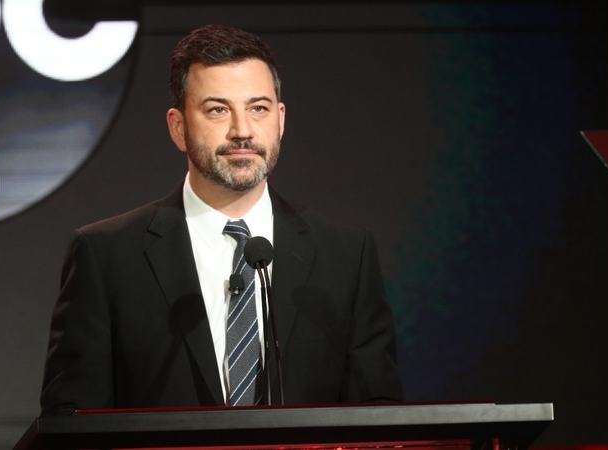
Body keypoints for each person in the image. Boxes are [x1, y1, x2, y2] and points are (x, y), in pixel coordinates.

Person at [40, 24, 402, 415]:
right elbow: (72, 419)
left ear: (280, 119)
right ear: (178, 127)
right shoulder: (107, 256)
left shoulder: (345, 256)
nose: (242, 131)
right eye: (217, 110)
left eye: (258, 108)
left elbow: (377, 415)